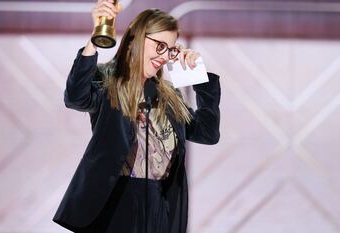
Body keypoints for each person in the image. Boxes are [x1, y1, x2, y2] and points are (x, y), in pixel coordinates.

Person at [53, 0, 221, 232]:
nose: (164, 56)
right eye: (159, 46)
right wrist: (95, 38)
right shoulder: (108, 81)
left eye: (170, 49)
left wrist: (199, 80)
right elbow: (75, 97)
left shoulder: (169, 94)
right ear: (138, 38)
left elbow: (207, 134)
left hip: (162, 202)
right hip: (119, 201)